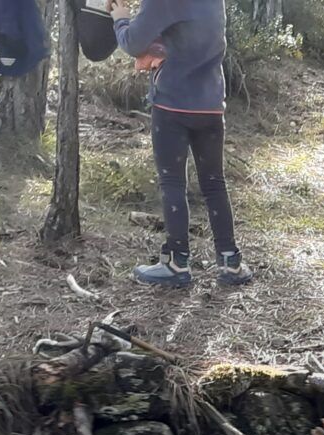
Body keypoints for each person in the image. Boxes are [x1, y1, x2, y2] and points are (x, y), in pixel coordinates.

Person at [111, 0, 253, 289]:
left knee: (172, 183)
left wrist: (121, 19)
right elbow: (192, 39)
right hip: (211, 104)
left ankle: (177, 263)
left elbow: (132, 42)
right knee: (215, 183)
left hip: (173, 105)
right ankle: (230, 262)